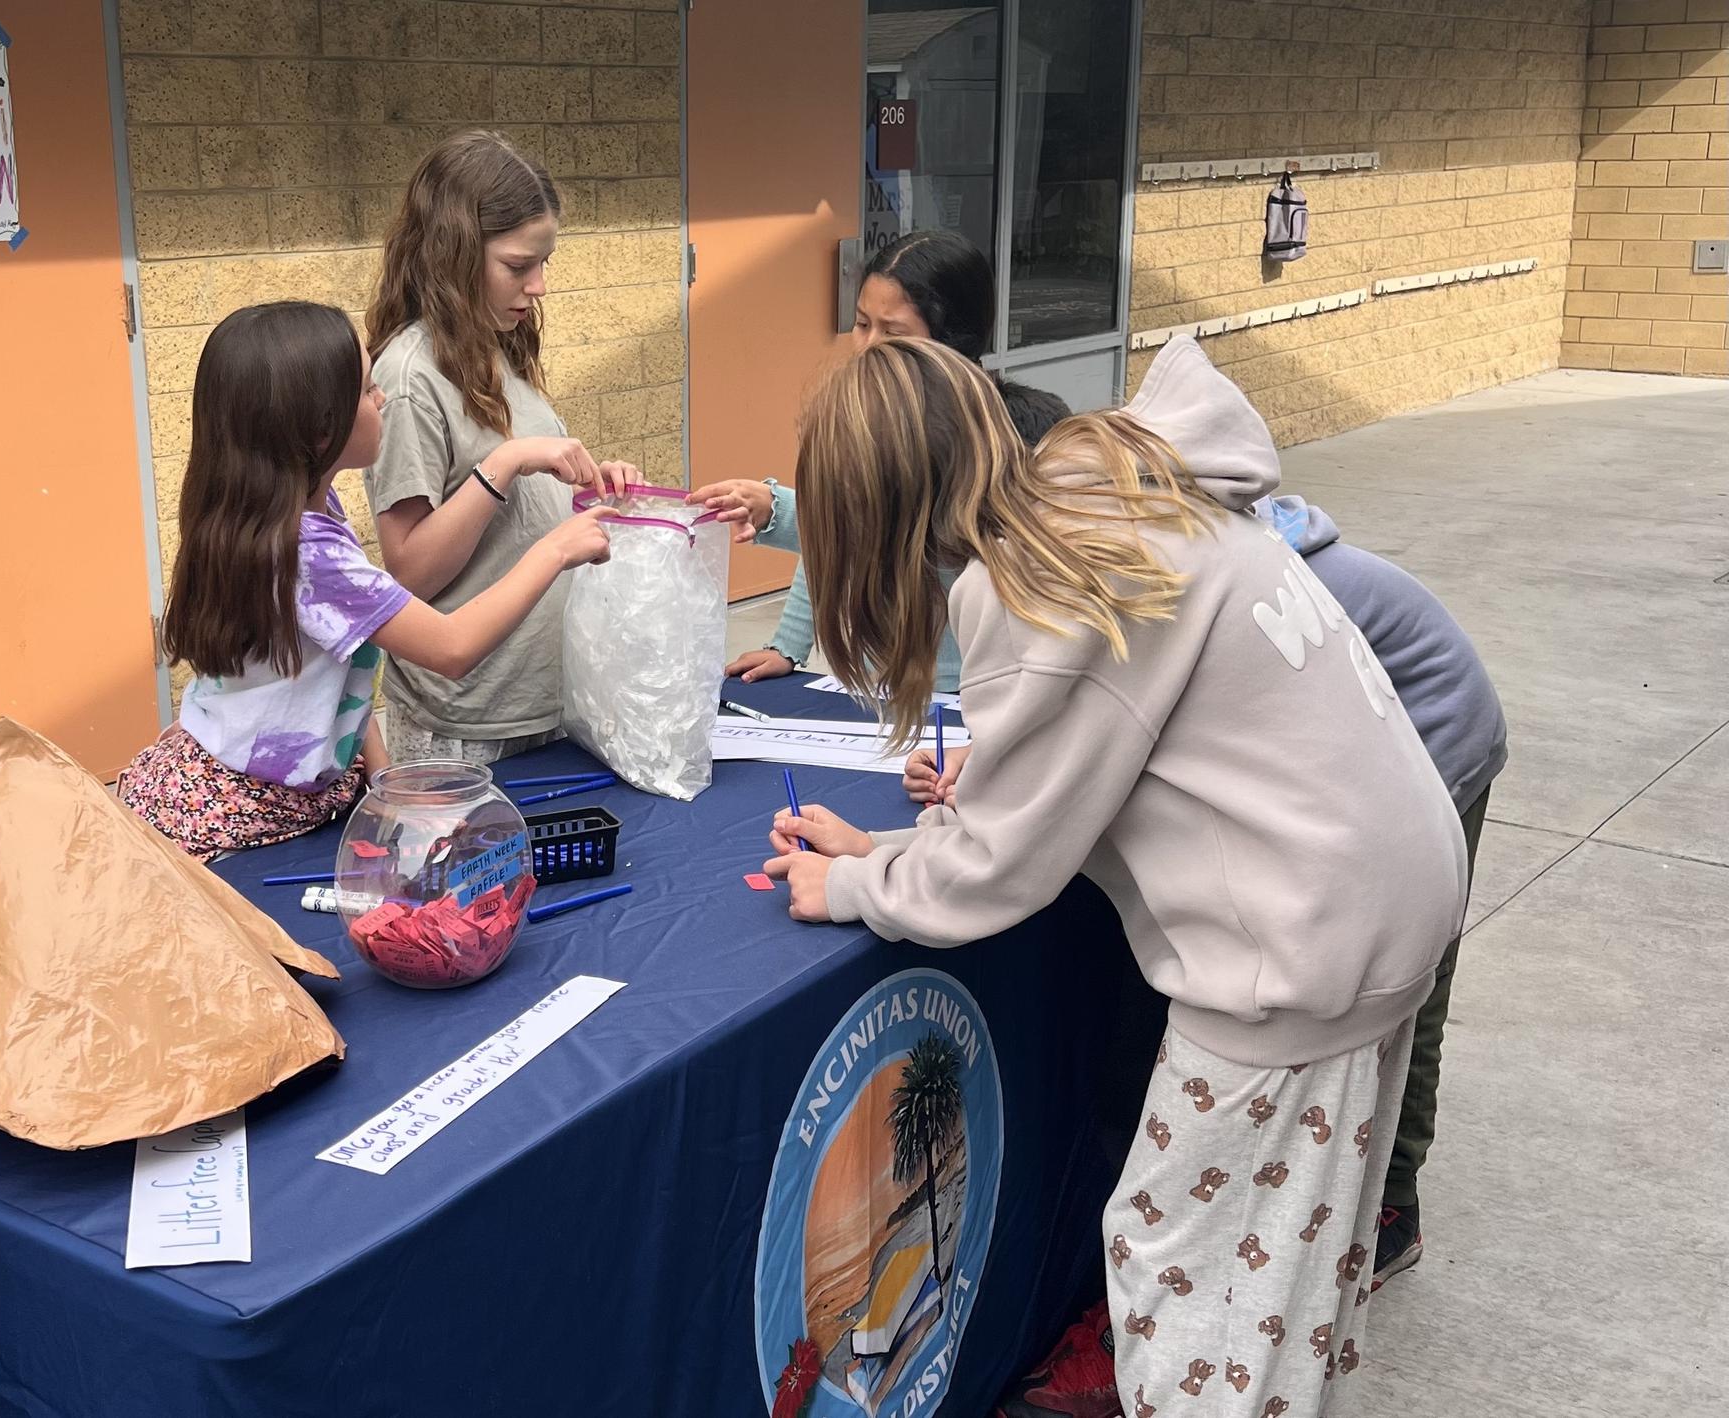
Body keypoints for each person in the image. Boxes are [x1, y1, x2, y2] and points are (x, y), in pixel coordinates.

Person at [760, 337, 1466, 1418]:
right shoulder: (1115, 504)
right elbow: (1079, 792)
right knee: (1281, 1281)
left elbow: (999, 868)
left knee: (1190, 1292)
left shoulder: (1034, 584)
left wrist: (856, 886)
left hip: (1296, 949)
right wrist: (899, 847)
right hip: (1376, 901)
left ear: (876, 515)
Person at [118, 301, 614, 860]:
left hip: (222, 771)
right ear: (318, 426)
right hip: (241, 809)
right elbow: (451, 648)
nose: (382, 400)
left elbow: (344, 665)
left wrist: (388, 792)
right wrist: (555, 548)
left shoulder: (280, 512)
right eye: (365, 391)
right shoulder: (307, 553)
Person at [1255, 494, 1507, 1287]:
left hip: (1437, 741)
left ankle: (1394, 1207)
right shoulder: (1230, 552)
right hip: (1377, 737)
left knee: (1410, 984)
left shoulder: (1261, 582)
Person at [689, 230, 1069, 689]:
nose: (868, 347)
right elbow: (840, 531)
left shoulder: (1013, 436)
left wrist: (788, 513)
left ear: (953, 341)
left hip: (980, 691)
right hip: (878, 688)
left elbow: (915, 540)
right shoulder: (863, 420)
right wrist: (787, 644)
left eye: (893, 332)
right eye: (861, 323)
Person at [363, 130, 632, 767]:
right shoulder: (409, 378)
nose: (537, 286)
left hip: (542, 698)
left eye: (544, 263)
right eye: (518, 266)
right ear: (453, 255)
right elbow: (410, 572)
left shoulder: (495, 345)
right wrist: (503, 464)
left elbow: (516, 521)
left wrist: (591, 489)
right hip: (467, 725)